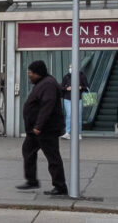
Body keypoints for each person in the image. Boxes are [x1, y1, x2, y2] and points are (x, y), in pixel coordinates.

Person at [16, 60, 67, 196]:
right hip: (37, 130)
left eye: (30, 73)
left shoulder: (48, 84)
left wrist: (39, 125)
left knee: (53, 157)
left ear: (38, 73)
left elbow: (47, 106)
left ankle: (60, 186)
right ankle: (31, 180)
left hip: (46, 129)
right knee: (28, 151)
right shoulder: (42, 83)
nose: (29, 76)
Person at [61, 63, 88, 140]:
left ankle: (78, 133)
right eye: (69, 67)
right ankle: (68, 133)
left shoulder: (82, 76)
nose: (70, 69)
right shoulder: (66, 76)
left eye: (72, 67)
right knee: (69, 115)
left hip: (78, 98)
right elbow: (61, 87)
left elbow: (86, 87)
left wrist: (81, 87)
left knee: (78, 116)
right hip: (68, 98)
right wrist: (66, 88)